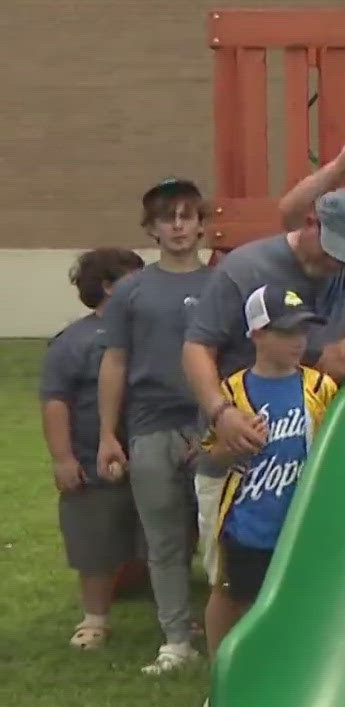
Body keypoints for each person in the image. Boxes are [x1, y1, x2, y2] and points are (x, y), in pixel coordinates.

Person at [188, 284, 340, 707]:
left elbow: (336, 448)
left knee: (299, 613)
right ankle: (224, 692)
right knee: (236, 603)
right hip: (249, 523)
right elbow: (209, 457)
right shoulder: (232, 393)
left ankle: (293, 695)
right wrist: (229, 444)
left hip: (302, 528)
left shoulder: (319, 386)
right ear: (257, 333)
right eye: (285, 331)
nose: (298, 341)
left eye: (303, 330)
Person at [184, 190, 345, 474]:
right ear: (311, 223)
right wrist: (221, 412)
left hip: (305, 437)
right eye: (330, 250)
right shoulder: (244, 268)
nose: (335, 263)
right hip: (244, 433)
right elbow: (197, 348)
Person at [97, 180, 217, 674]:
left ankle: (226, 633)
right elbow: (115, 361)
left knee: (220, 538)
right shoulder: (132, 290)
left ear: (201, 224)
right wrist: (108, 433)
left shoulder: (221, 283)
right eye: (168, 218)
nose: (178, 226)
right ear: (151, 228)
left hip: (212, 429)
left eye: (187, 216)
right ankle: (175, 640)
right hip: (150, 427)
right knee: (164, 539)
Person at [42, 248, 146, 652]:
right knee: (95, 543)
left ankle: (171, 613)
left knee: (160, 539)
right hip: (91, 461)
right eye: (133, 279)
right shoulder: (74, 342)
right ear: (107, 287)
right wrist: (64, 458)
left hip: (146, 456)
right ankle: (95, 619)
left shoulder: (148, 334)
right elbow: (55, 401)